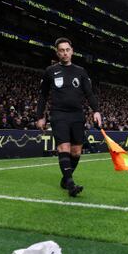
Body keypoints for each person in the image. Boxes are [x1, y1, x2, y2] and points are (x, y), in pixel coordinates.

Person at [36, 37, 102, 197]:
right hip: (58, 114)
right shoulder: (50, 71)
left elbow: (89, 93)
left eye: (67, 50)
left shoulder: (81, 71)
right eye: (61, 50)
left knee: (76, 151)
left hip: (77, 115)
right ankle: (71, 184)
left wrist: (96, 111)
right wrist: (40, 116)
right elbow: (43, 96)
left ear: (72, 51)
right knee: (63, 148)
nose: (65, 53)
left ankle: (65, 178)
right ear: (57, 53)